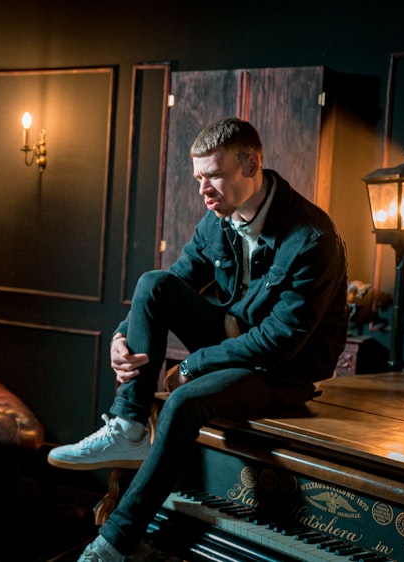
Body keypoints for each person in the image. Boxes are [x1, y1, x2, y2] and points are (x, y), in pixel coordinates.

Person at [47, 117, 349, 561]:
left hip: (283, 371)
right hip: (233, 346)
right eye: (198, 178)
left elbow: (281, 342)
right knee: (154, 282)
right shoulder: (218, 221)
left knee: (183, 403)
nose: (203, 190)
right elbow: (173, 284)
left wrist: (192, 365)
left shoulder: (311, 237)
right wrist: (120, 336)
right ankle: (128, 425)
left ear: (252, 165)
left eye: (214, 176)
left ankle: (112, 545)